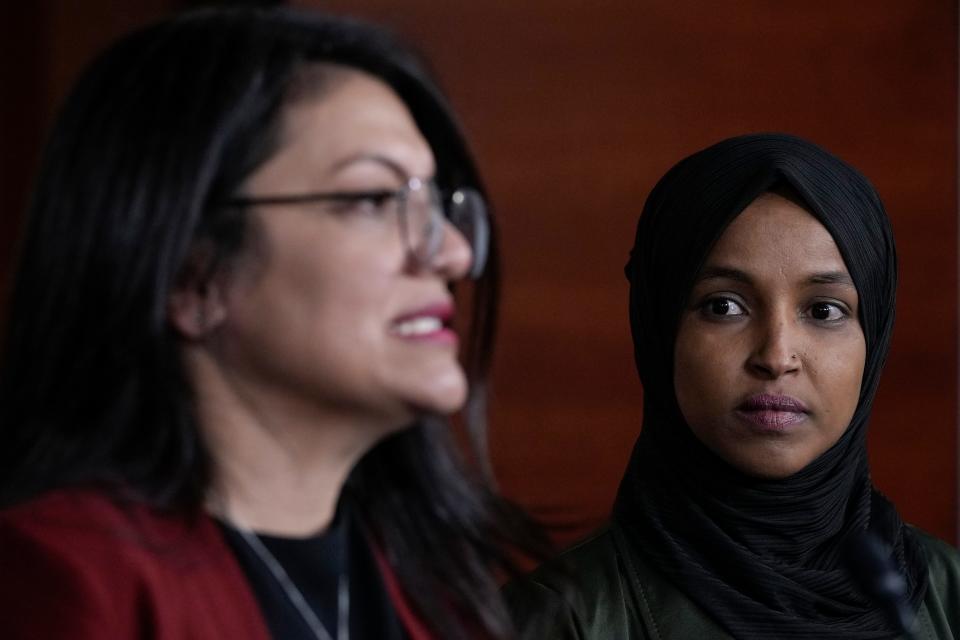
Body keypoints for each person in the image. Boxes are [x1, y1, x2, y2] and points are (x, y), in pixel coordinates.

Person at [0, 7, 545, 639]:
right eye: (373, 199)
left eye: (436, 204)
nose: (449, 252)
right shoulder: (63, 579)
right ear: (193, 276)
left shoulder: (441, 592)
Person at [505, 133, 960, 639]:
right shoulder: (557, 618)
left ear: (873, 338)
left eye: (824, 310)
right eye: (724, 306)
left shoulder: (950, 597)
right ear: (659, 330)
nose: (776, 356)